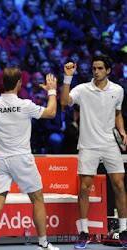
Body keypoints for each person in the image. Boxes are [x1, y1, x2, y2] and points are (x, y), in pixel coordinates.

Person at [0, 67, 59, 250]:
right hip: (21, 159)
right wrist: (51, 91)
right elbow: (51, 113)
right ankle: (43, 243)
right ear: (19, 83)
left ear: (3, 82)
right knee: (37, 199)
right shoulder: (25, 105)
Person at [60, 54, 127, 249]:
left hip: (109, 145)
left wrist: (122, 130)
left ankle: (123, 231)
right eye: (94, 68)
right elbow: (65, 101)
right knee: (84, 188)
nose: (96, 71)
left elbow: (117, 114)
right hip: (88, 145)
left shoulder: (118, 90)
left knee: (119, 186)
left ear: (108, 70)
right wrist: (67, 77)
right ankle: (84, 232)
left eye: (100, 68)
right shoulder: (82, 89)